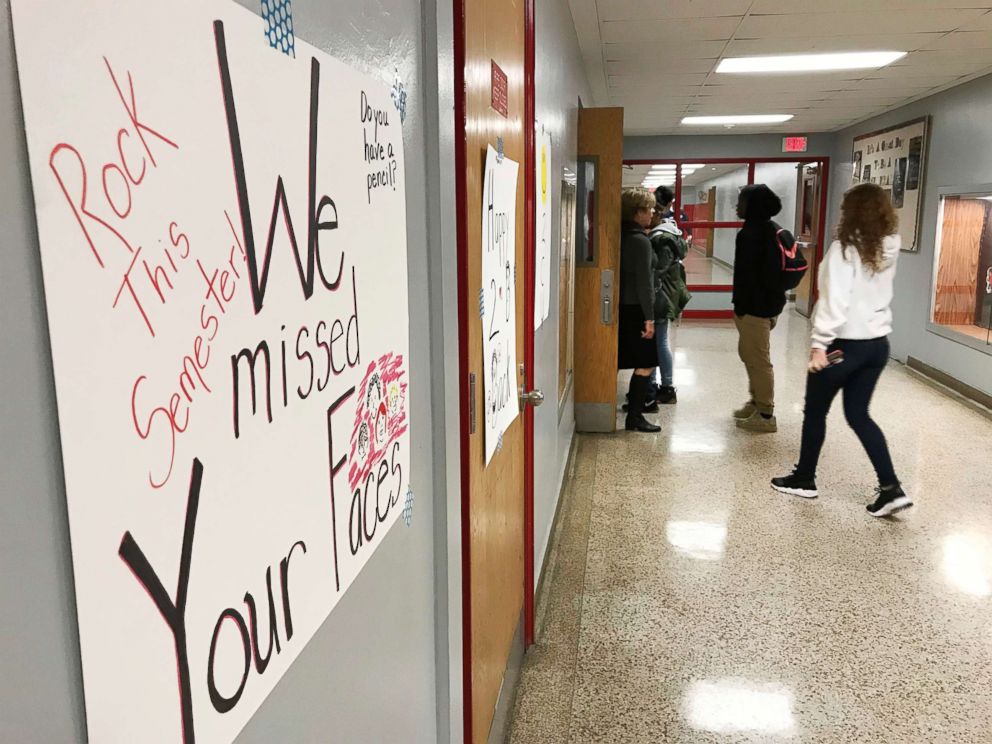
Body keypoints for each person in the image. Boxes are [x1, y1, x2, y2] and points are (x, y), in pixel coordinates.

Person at [772, 183, 912, 518]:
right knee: (859, 415)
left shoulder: (844, 250)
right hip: (877, 345)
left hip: (842, 345)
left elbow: (836, 301)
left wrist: (820, 344)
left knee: (815, 412)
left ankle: (804, 479)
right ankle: (891, 488)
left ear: (851, 212)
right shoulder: (890, 245)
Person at [731, 184, 792, 433]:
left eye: (741, 201)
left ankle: (766, 414)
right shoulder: (769, 230)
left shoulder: (754, 234)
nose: (737, 205)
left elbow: (754, 276)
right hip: (764, 305)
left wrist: (746, 307)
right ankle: (756, 402)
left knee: (758, 360)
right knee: (749, 355)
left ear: (751, 205)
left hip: (756, 308)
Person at [618, 188, 660, 433]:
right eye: (648, 209)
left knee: (624, 358)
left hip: (621, 306)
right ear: (637, 212)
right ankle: (634, 417)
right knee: (645, 363)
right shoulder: (640, 241)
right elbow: (644, 283)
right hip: (637, 310)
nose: (652, 213)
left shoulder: (620, 235)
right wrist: (650, 318)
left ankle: (633, 415)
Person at [649, 185, 691, 404]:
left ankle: (667, 386)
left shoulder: (662, 236)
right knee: (657, 341)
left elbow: (657, 269)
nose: (652, 213)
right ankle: (655, 383)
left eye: (655, 208)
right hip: (665, 293)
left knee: (660, 341)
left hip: (661, 296)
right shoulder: (671, 230)